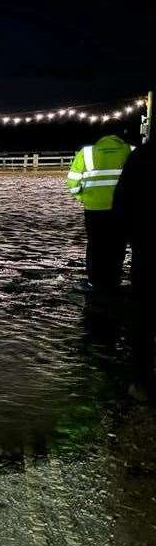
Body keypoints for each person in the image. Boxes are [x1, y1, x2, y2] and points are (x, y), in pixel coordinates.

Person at [113, 140, 154, 397]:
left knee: (144, 318)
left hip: (147, 251)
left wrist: (132, 241)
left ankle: (142, 383)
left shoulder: (141, 156)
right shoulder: (135, 154)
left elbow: (121, 205)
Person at [66, 134, 133, 291]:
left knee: (95, 245)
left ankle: (94, 282)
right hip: (122, 209)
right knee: (118, 244)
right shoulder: (131, 151)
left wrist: (82, 198)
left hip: (94, 209)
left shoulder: (86, 153)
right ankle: (113, 280)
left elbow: (73, 182)